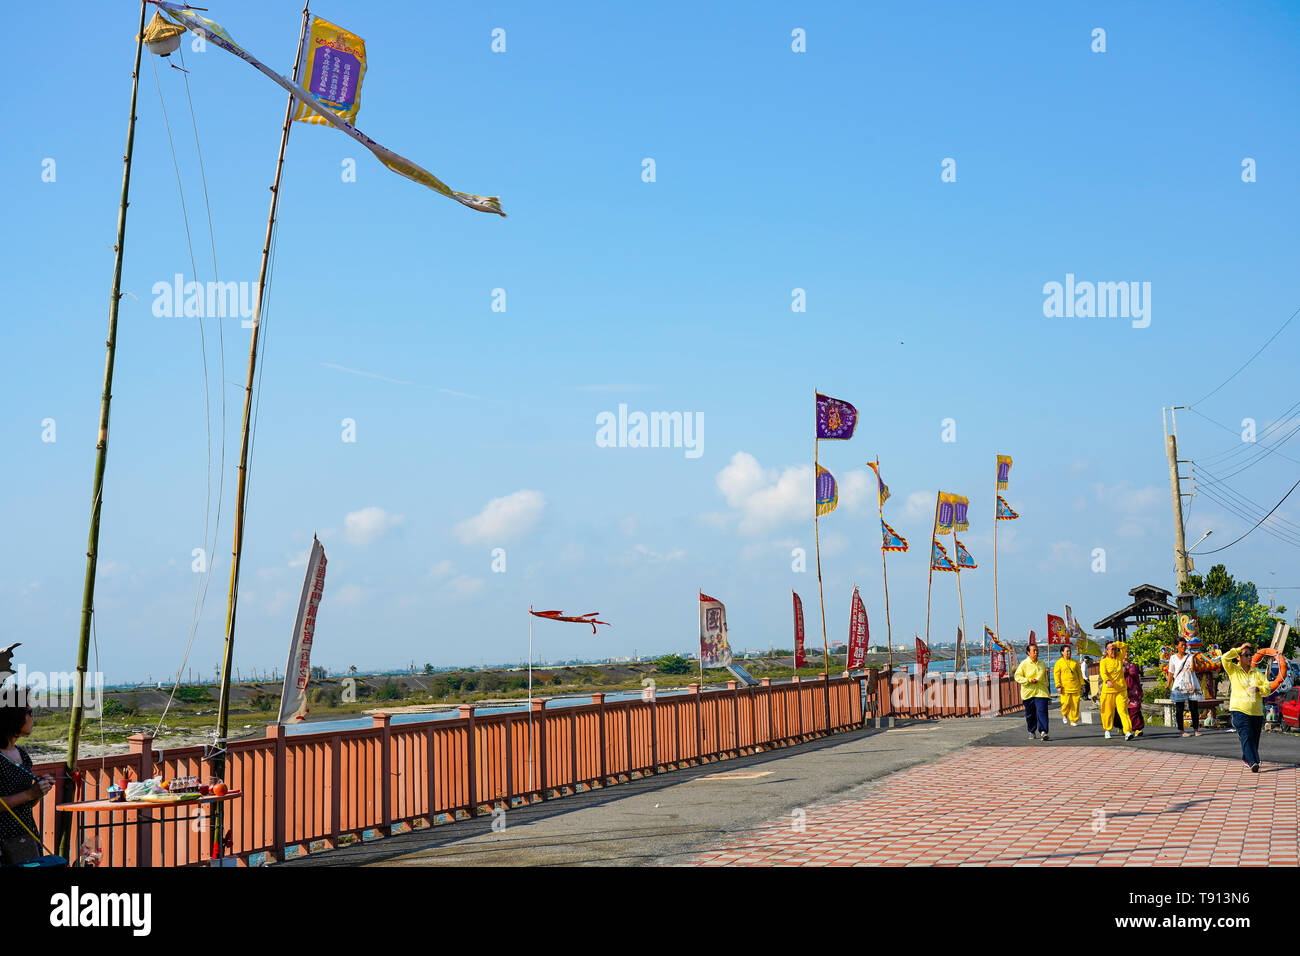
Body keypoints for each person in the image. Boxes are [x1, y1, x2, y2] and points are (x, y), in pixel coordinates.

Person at [0, 699, 55, 865]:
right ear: (13, 717)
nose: (32, 718)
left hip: (24, 837)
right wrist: (29, 793)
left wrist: (38, 792)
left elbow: (26, 803)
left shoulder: (22, 755)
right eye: (29, 713)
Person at [1221, 643, 1271, 772]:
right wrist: (1239, 649)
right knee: (1246, 735)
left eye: (1250, 655)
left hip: (1256, 712)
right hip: (1239, 710)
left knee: (1254, 739)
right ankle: (1253, 761)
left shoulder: (1256, 672)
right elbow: (1224, 658)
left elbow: (1267, 688)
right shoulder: (1233, 670)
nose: (1250, 657)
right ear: (1238, 657)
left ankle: (1246, 757)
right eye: (1246, 655)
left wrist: (1259, 689)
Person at [1014, 642, 1051, 740]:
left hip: (1041, 692)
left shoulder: (1042, 663)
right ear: (1028, 653)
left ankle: (1043, 731)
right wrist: (1029, 680)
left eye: (1037, 650)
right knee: (1030, 714)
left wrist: (1048, 691)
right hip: (1028, 693)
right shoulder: (1024, 664)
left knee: (1042, 711)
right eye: (1034, 650)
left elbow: (1045, 679)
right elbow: (1017, 677)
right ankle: (1031, 730)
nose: (1036, 652)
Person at [1099, 640, 1134, 740]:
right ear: (1106, 650)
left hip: (1121, 689)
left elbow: (1125, 646)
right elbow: (1103, 673)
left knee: (1123, 710)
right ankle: (1107, 730)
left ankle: (1127, 731)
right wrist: (1107, 681)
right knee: (1108, 711)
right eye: (1111, 649)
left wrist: (1116, 643)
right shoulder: (1103, 661)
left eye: (1115, 649)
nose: (1113, 651)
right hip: (1109, 690)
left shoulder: (1119, 658)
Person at [1167, 637, 1202, 737]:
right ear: (1176, 646)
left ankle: (1196, 729)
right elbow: (1170, 672)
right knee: (1179, 708)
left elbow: (1193, 669)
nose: (1184, 647)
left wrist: (1194, 658)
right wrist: (1167, 686)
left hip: (1190, 683)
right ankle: (1181, 731)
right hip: (1179, 685)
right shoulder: (1173, 658)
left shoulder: (1190, 656)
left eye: (1185, 645)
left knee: (1194, 707)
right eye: (1182, 645)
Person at [1053, 644, 1083, 726]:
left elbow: (1079, 674)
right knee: (1065, 704)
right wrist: (1058, 686)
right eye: (1067, 651)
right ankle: (1064, 714)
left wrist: (1082, 684)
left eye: (1070, 651)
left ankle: (1073, 720)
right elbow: (1056, 675)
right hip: (1065, 687)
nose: (1069, 653)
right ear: (1062, 652)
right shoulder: (1058, 663)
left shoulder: (1075, 662)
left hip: (1075, 686)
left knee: (1075, 704)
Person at [1122, 644, 1146, 737]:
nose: (1126, 653)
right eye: (1124, 652)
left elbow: (1137, 678)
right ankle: (1124, 728)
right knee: (1124, 710)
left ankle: (1137, 729)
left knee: (1135, 709)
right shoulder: (1118, 665)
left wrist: (1140, 689)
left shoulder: (1133, 665)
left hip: (1134, 690)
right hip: (1123, 690)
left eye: (1127, 652)